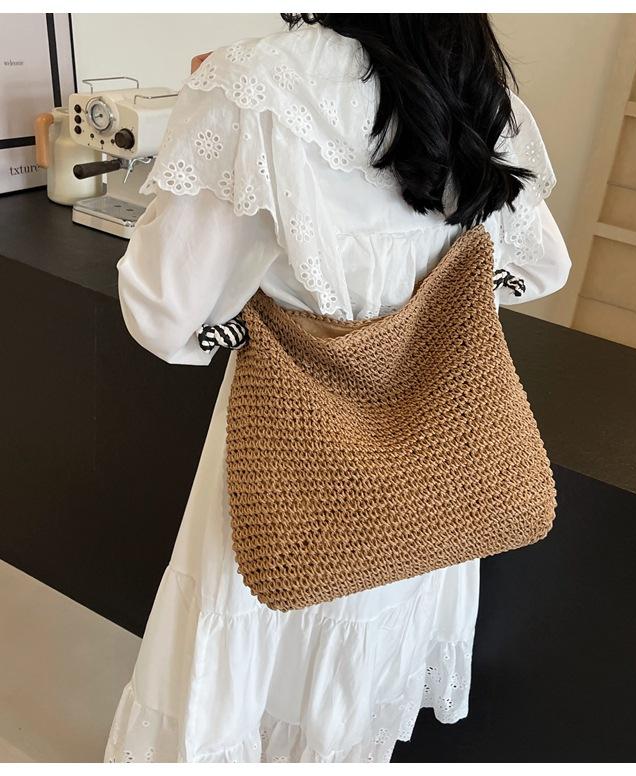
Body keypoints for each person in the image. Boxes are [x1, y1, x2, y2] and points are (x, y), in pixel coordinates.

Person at [103, 13, 571, 763]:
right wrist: (426, 312)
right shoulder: (478, 91)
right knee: (348, 710)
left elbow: (163, 312)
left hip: (294, 456)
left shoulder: (252, 82)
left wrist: (242, 325)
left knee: (239, 677)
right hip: (429, 482)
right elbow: (542, 267)